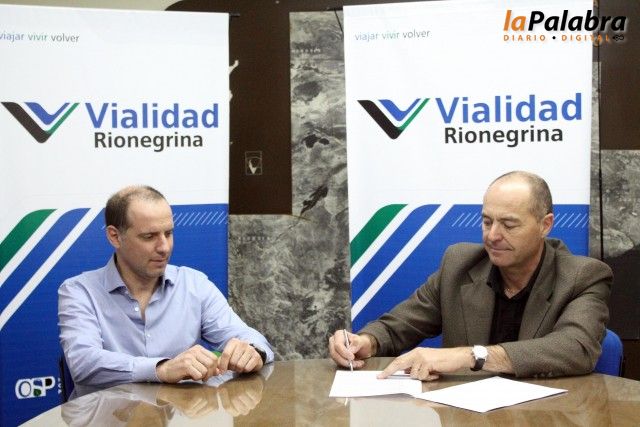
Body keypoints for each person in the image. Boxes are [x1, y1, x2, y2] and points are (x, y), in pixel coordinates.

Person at [329, 171, 612, 380]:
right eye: (487, 221)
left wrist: (472, 356)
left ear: (545, 225)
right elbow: (399, 326)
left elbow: (576, 349)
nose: (493, 235)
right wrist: (366, 341)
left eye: (509, 225)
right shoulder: (460, 264)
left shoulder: (583, 277)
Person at [59, 185, 273, 396]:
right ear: (115, 236)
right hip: (106, 414)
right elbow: (83, 362)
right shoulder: (79, 291)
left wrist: (253, 352)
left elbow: (247, 337)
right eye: (149, 236)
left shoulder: (194, 284)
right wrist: (161, 369)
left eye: (168, 233)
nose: (164, 247)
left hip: (182, 412)